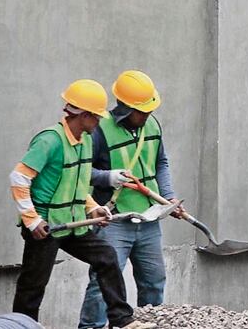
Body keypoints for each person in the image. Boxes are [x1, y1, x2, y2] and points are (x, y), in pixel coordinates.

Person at [9, 79, 155, 329]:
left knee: (106, 256)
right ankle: (21, 326)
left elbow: (77, 183)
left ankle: (122, 319)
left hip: (73, 223)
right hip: (46, 226)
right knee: (33, 285)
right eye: (96, 117)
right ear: (84, 115)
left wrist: (93, 207)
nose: (100, 122)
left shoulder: (85, 140)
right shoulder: (50, 140)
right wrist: (32, 220)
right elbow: (19, 178)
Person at [79, 70, 180, 329]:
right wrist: (107, 177)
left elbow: (161, 163)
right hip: (114, 220)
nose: (146, 116)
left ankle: (148, 324)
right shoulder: (99, 130)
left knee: (154, 281)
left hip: (149, 218)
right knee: (102, 284)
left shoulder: (152, 125)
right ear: (125, 108)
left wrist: (168, 196)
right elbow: (79, 172)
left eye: (149, 110)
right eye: (141, 111)